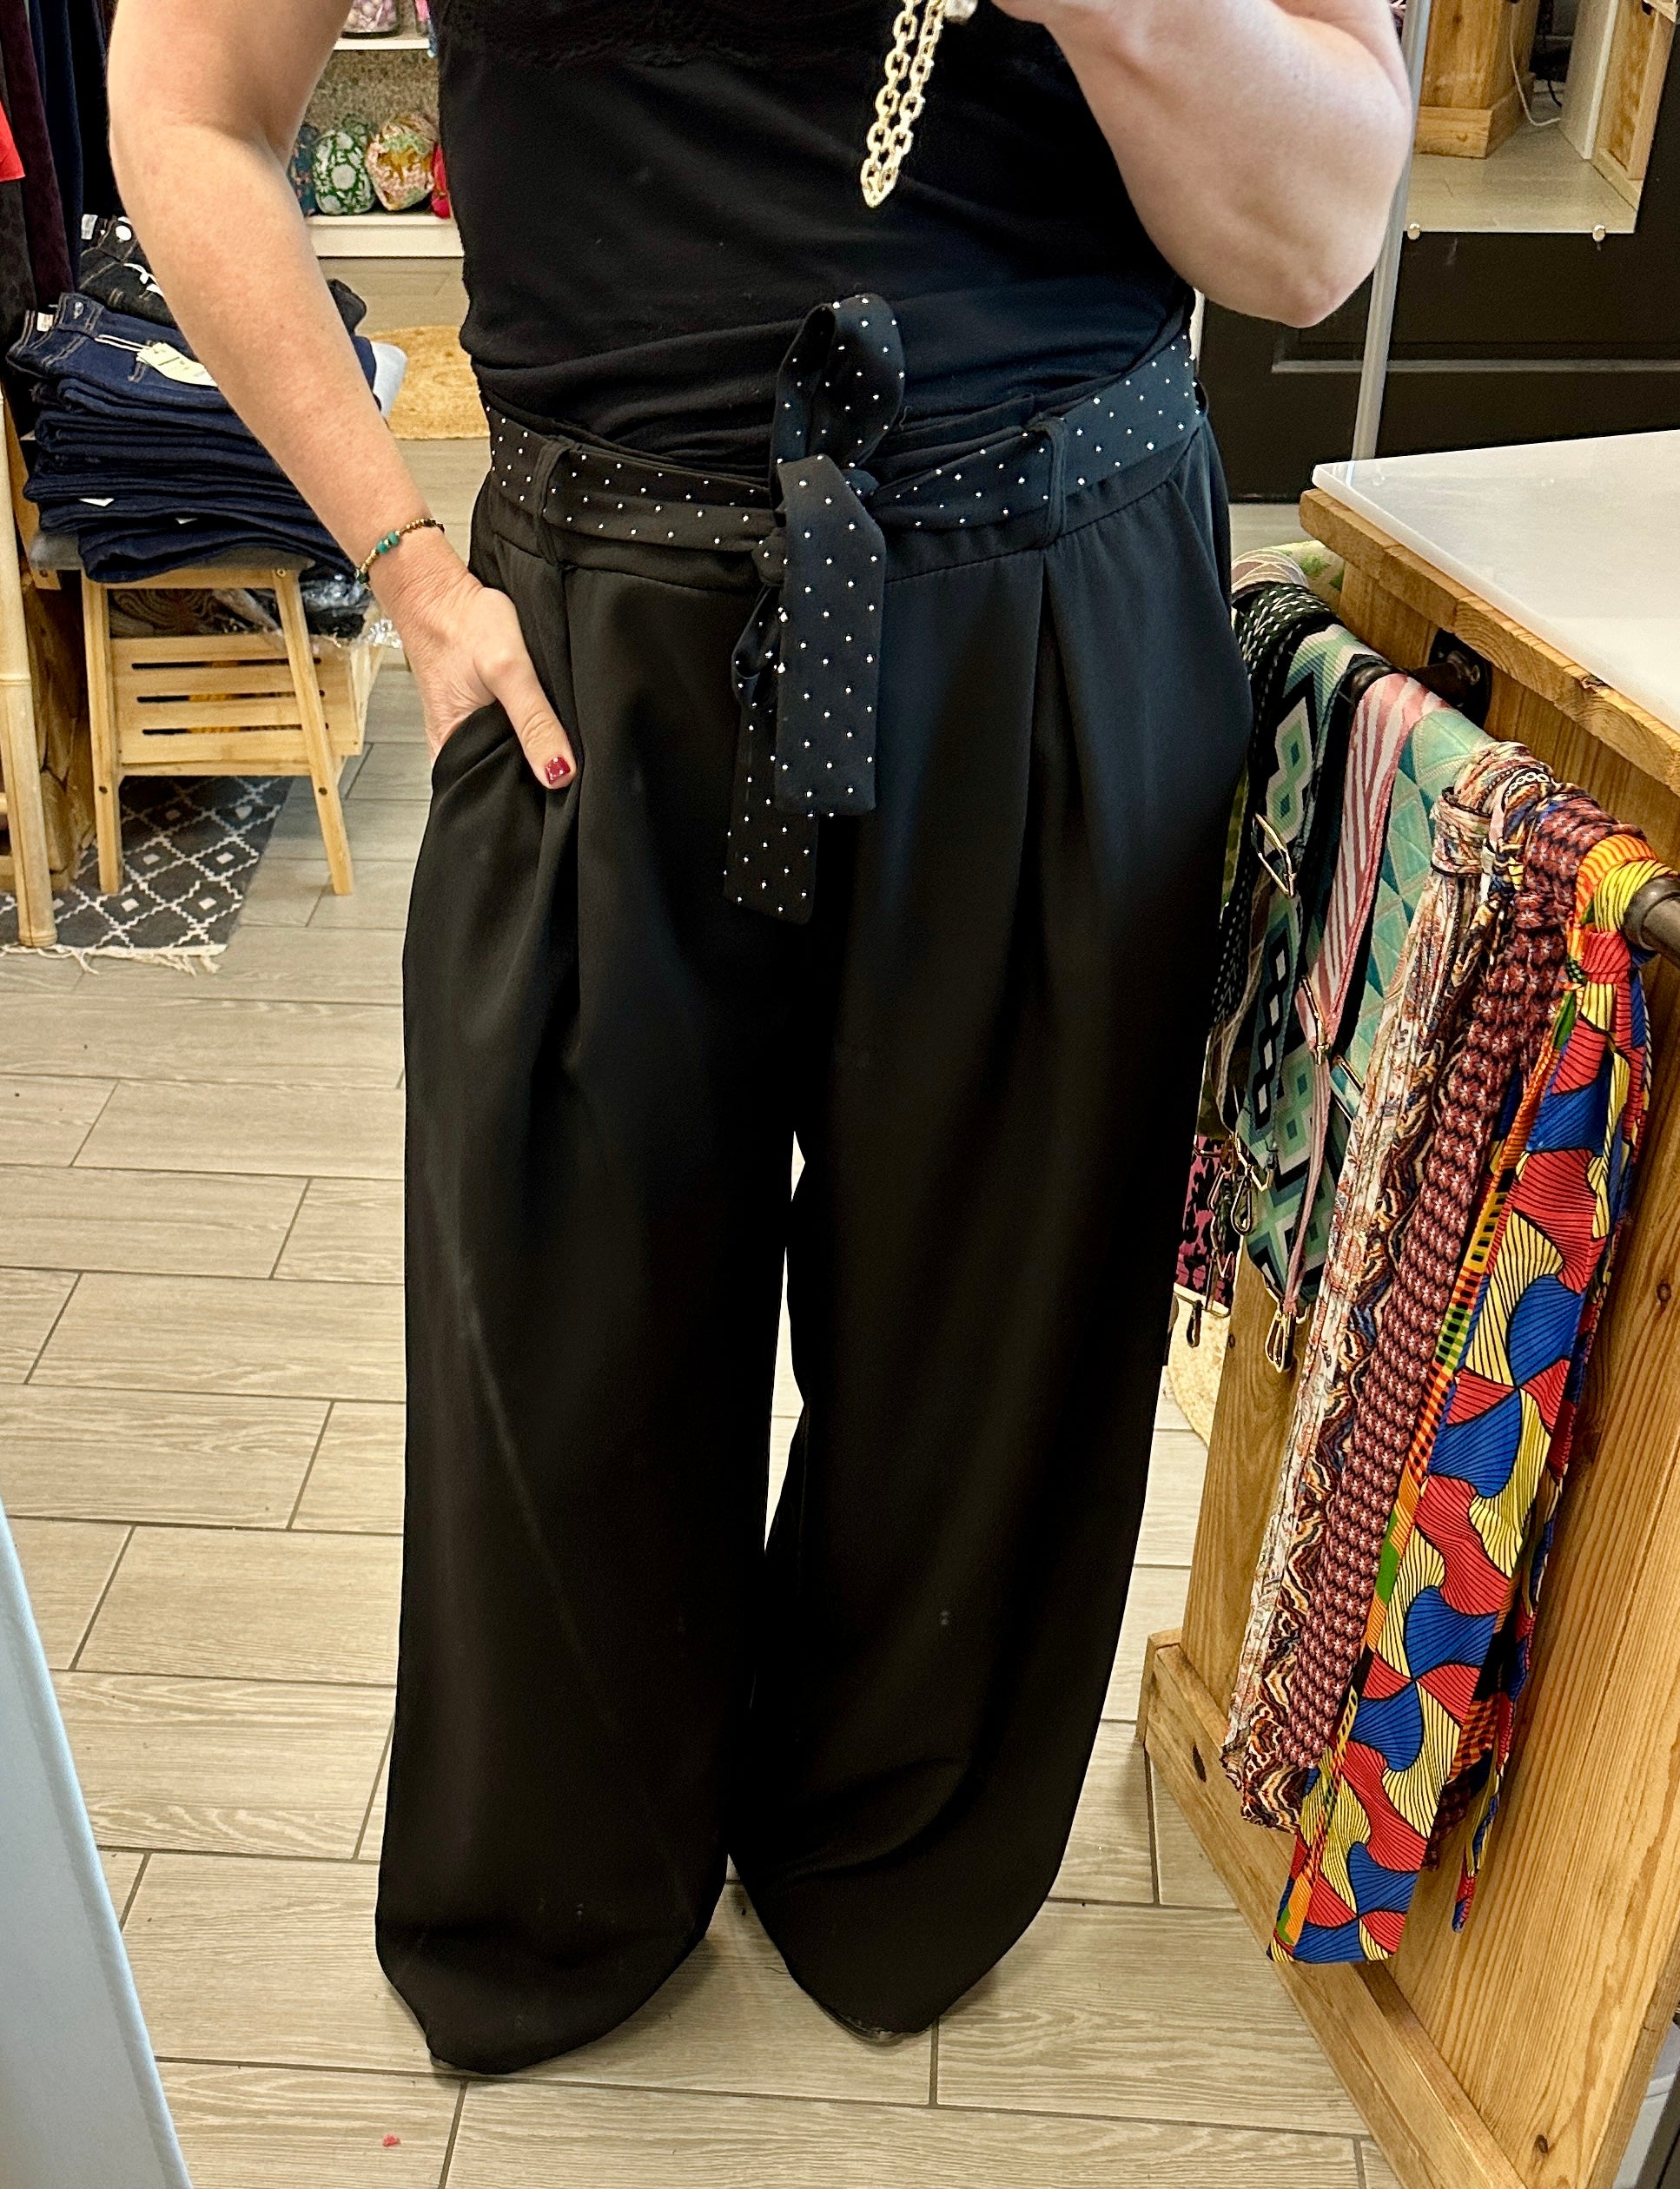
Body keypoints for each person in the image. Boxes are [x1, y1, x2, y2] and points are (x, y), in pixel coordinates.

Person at [109, 0, 1409, 2075]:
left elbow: (1316, 233)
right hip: (591, 635)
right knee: (560, 1310)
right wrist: (400, 555)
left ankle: (893, 1854)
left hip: (1052, 601)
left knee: (989, 1336)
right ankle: (565, 1887)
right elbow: (187, 106)